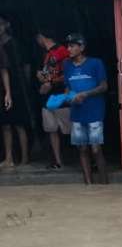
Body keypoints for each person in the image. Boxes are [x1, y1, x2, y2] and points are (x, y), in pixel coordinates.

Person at [63, 33, 109, 184]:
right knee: (82, 149)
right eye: (68, 46)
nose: (68, 49)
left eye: (72, 46)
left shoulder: (96, 63)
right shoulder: (66, 65)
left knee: (96, 149)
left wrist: (86, 94)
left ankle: (104, 184)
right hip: (77, 112)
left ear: (81, 47)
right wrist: (69, 96)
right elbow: (67, 88)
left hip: (95, 111)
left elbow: (104, 86)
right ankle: (88, 184)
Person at [35, 30, 71, 169]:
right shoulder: (45, 55)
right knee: (52, 129)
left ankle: (84, 158)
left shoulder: (63, 50)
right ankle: (58, 161)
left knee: (69, 129)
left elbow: (68, 74)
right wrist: (42, 79)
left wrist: (51, 82)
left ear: (42, 37)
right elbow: (44, 74)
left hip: (62, 94)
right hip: (48, 97)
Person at [0, 18, 31, 170]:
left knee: (19, 123)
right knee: (6, 124)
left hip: (17, 87)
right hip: (6, 88)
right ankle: (9, 157)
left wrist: (11, 91)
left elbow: (16, 67)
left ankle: (24, 158)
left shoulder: (13, 44)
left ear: (6, 25)